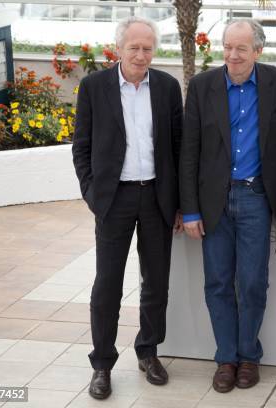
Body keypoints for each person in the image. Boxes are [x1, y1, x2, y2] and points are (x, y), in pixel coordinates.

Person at [180, 19, 276, 393]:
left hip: (256, 198)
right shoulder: (202, 86)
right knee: (218, 283)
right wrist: (189, 210)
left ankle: (249, 356)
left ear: (257, 51)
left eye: (241, 49)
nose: (232, 55)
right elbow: (189, 151)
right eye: (227, 47)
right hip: (212, 201)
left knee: (252, 283)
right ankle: (226, 358)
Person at [72, 16, 183, 400]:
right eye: (134, 47)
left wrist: (180, 203)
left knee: (156, 283)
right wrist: (92, 193)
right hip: (113, 199)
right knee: (107, 285)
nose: (141, 54)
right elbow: (81, 147)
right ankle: (102, 363)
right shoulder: (93, 87)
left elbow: (178, 147)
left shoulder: (168, 88)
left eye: (147, 48)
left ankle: (148, 351)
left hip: (156, 197)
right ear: (118, 48)